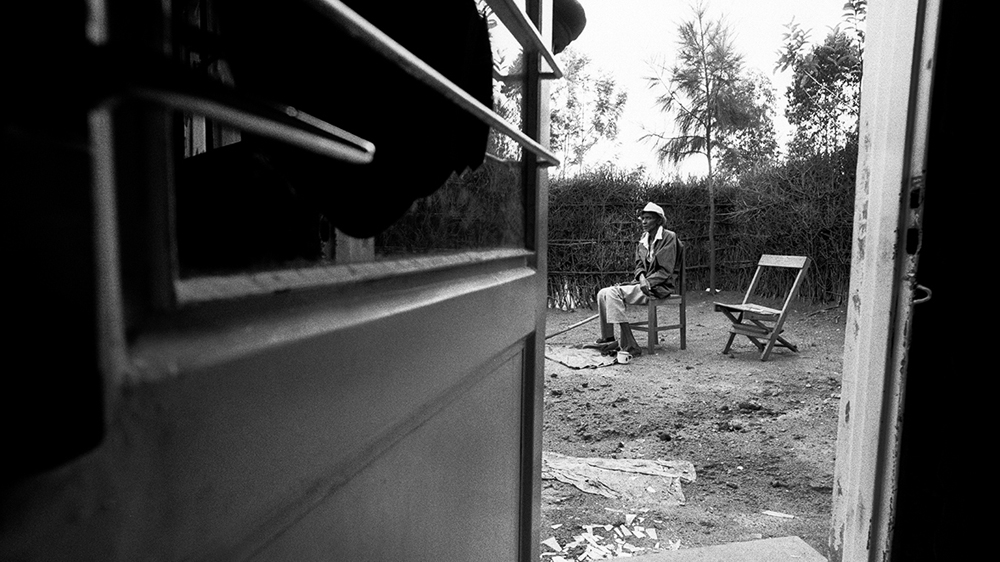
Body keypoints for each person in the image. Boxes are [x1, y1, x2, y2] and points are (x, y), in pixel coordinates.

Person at [595, 202, 678, 356]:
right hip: (643, 284)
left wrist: (648, 282)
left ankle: (630, 343)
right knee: (602, 293)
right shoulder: (644, 239)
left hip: (660, 286)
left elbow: (666, 270)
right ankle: (608, 338)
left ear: (658, 220)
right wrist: (642, 278)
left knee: (613, 293)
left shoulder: (669, 237)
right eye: (643, 218)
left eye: (648, 218)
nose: (644, 222)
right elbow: (639, 265)